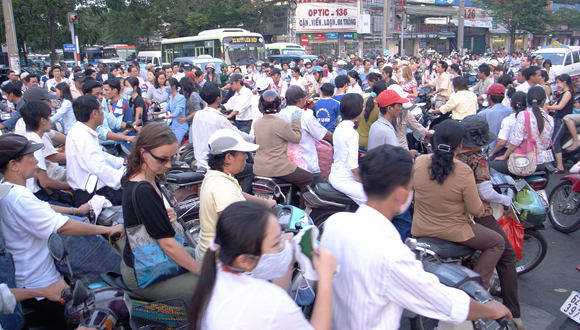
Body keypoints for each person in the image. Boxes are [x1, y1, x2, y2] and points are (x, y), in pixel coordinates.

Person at [321, 144, 512, 330]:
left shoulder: (335, 224)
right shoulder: (392, 255)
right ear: (401, 194)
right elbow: (442, 302)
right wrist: (489, 309)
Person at [0, 134, 123, 329]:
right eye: (30, 157)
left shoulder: (8, 191)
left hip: (31, 279)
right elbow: (64, 226)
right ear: (14, 165)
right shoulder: (18, 197)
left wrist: (77, 210)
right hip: (43, 285)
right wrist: (107, 230)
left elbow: (44, 207)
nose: (35, 161)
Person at [189, 201, 337, 330]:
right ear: (245, 261)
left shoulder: (219, 272)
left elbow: (276, 299)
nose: (286, 241)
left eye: (282, 235)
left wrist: (287, 261)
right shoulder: (269, 303)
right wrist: (326, 278)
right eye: (276, 243)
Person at [412, 120, 506, 290]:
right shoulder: (463, 171)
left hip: (421, 228)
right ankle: (477, 290)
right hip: (455, 231)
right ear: (461, 143)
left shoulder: (419, 162)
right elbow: (476, 210)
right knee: (497, 242)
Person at [457, 115, 526, 330]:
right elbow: (485, 191)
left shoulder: (452, 155)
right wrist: (505, 199)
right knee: (506, 254)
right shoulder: (478, 159)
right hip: (478, 215)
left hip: (452, 211)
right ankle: (511, 312)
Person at [120, 122, 200, 302]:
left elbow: (146, 220)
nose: (168, 165)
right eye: (163, 159)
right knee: (208, 287)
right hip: (143, 271)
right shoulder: (142, 189)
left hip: (153, 258)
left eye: (172, 158)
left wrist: (164, 217)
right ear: (143, 153)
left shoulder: (148, 178)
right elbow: (168, 245)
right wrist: (203, 273)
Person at [196, 130, 276, 262]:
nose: (246, 157)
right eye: (243, 153)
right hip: (219, 263)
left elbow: (239, 194)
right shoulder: (223, 186)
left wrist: (264, 203)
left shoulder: (216, 176)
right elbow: (236, 227)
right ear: (228, 157)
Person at [253, 90, 314, 206]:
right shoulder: (280, 123)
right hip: (279, 168)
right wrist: (296, 121)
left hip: (259, 168)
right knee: (308, 178)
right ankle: (300, 213)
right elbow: (296, 138)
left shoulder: (257, 123)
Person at [192, 83, 254, 193]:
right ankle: (242, 199)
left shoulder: (198, 115)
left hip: (199, 162)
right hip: (213, 164)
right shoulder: (219, 119)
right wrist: (254, 139)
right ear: (218, 98)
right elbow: (238, 135)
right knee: (251, 170)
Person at [66, 95, 126, 207]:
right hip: (90, 195)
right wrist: (123, 177)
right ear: (94, 113)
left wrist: (122, 162)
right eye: (101, 110)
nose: (103, 113)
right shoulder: (82, 136)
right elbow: (98, 167)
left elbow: (100, 155)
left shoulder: (81, 132)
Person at [490, 86, 554, 174]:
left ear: (528, 101)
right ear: (543, 100)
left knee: (489, 166)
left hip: (524, 162)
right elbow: (547, 143)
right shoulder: (550, 119)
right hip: (541, 163)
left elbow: (517, 140)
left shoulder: (523, 115)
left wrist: (504, 156)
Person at [278, 86, 332, 185]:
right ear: (300, 100)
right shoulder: (305, 115)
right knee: (322, 193)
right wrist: (336, 137)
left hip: (285, 166)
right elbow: (323, 134)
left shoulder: (279, 115)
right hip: (307, 166)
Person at [328, 93, 366, 205]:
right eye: (362, 106)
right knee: (376, 199)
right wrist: (364, 182)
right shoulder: (352, 133)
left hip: (335, 175)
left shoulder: (340, 127)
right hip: (344, 180)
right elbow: (353, 166)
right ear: (357, 109)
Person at [546, 74, 578, 172]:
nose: (557, 85)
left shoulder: (567, 93)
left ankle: (560, 166)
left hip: (562, 120)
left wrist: (547, 107)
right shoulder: (564, 93)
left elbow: (560, 107)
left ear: (564, 82)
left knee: (555, 141)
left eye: (558, 82)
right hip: (558, 119)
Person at [488, 92, 528, 161]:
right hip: (528, 151)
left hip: (510, 153)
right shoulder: (532, 118)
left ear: (511, 104)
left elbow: (502, 143)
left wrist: (491, 153)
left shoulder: (508, 120)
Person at [477, 83, 513, 152]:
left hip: (490, 151)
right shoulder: (511, 111)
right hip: (508, 150)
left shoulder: (483, 114)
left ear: (489, 97)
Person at [160, 78, 188, 144]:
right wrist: (154, 112)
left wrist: (164, 117)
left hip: (180, 126)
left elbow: (176, 113)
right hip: (172, 125)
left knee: (175, 144)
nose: (166, 87)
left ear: (173, 86)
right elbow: (166, 108)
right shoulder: (171, 96)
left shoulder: (181, 98)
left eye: (167, 85)